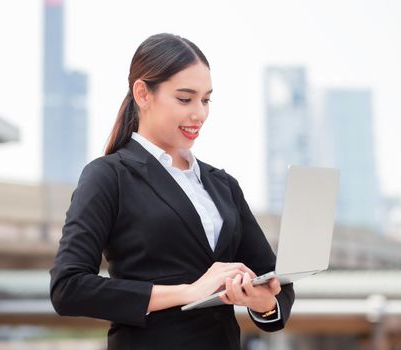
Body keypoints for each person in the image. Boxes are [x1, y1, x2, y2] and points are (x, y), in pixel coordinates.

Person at [49, 33, 295, 350]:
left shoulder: (223, 185)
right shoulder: (109, 176)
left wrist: (263, 303)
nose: (199, 114)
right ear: (143, 93)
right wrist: (190, 291)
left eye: (206, 100)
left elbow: (277, 283)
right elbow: (68, 288)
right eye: (185, 99)